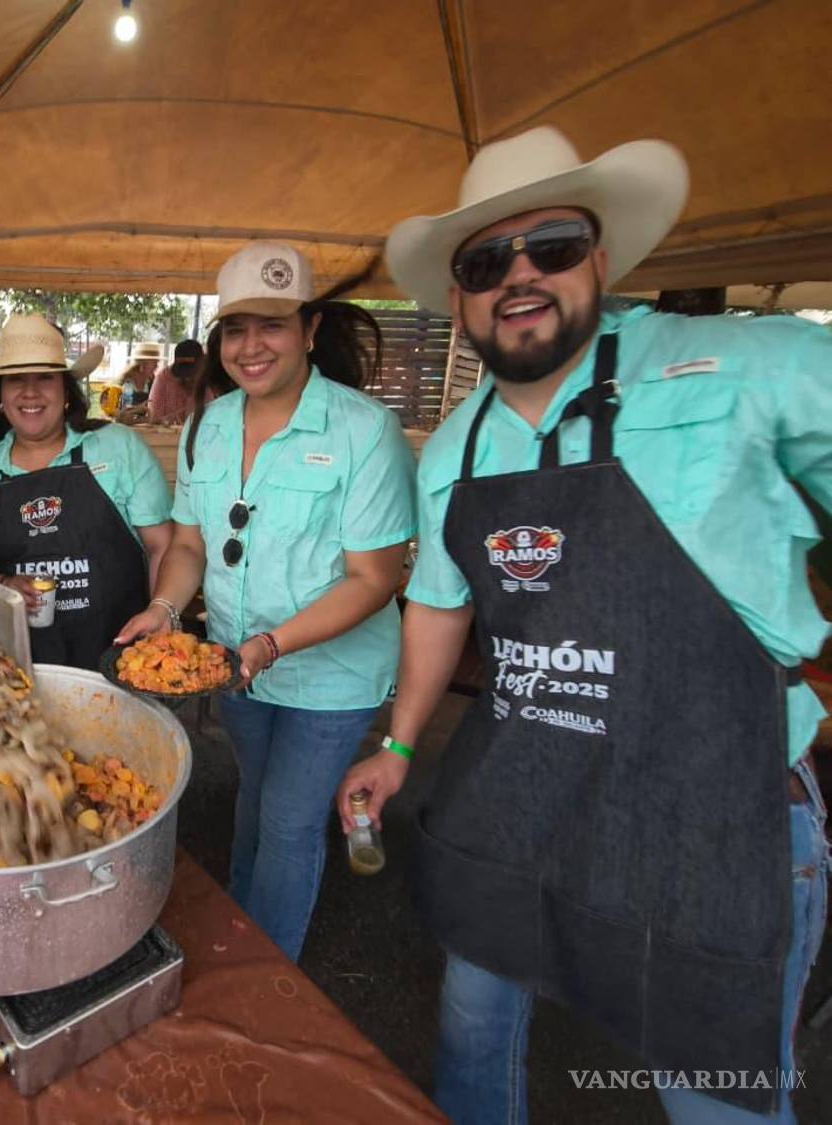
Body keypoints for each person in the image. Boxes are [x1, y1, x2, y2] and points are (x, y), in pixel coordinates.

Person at [339, 125, 832, 1123]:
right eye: (487, 261)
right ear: (460, 295)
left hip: (715, 826)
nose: (518, 274)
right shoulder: (456, 448)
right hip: (525, 795)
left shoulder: (747, 368)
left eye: (551, 244)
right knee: (474, 1028)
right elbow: (438, 604)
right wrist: (396, 741)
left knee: (714, 1102)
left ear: (602, 257)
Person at [117, 242, 417, 960]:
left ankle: (263, 970)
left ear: (310, 330)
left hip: (331, 676)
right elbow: (188, 547)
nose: (251, 346)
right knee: (254, 795)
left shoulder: (363, 431)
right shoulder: (208, 425)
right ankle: (242, 930)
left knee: (286, 819)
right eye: (236, 328)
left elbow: (376, 579)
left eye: (272, 325)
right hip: (229, 660)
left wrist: (273, 645)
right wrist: (163, 611)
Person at [0, 315, 172, 669]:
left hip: (125, 663)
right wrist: (3, 582)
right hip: (17, 672)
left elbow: (163, 547)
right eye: (16, 380)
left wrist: (161, 628)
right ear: (1, 396)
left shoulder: (118, 449)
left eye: (45, 378)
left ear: (66, 390)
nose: (30, 392)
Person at [146, 337, 205, 424]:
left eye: (190, 373)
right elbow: (153, 417)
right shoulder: (164, 379)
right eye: (182, 372)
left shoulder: (208, 382)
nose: (186, 378)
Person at [113, 341, 161, 424]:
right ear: (143, 364)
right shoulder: (123, 384)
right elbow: (117, 417)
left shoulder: (152, 384)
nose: (157, 366)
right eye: (154, 363)